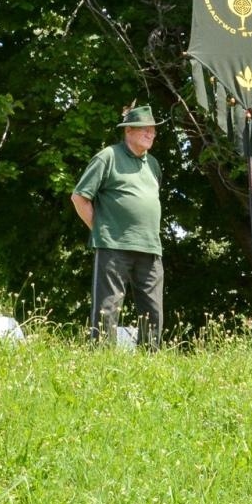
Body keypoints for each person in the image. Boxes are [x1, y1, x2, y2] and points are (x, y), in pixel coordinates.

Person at [72, 104, 164, 348]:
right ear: (128, 131)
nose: (150, 134)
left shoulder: (153, 164)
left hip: (150, 246)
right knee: (108, 307)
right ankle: (102, 359)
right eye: (144, 129)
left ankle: (151, 359)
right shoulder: (108, 157)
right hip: (113, 245)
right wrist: (101, 229)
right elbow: (80, 197)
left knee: (153, 309)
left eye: (153, 130)